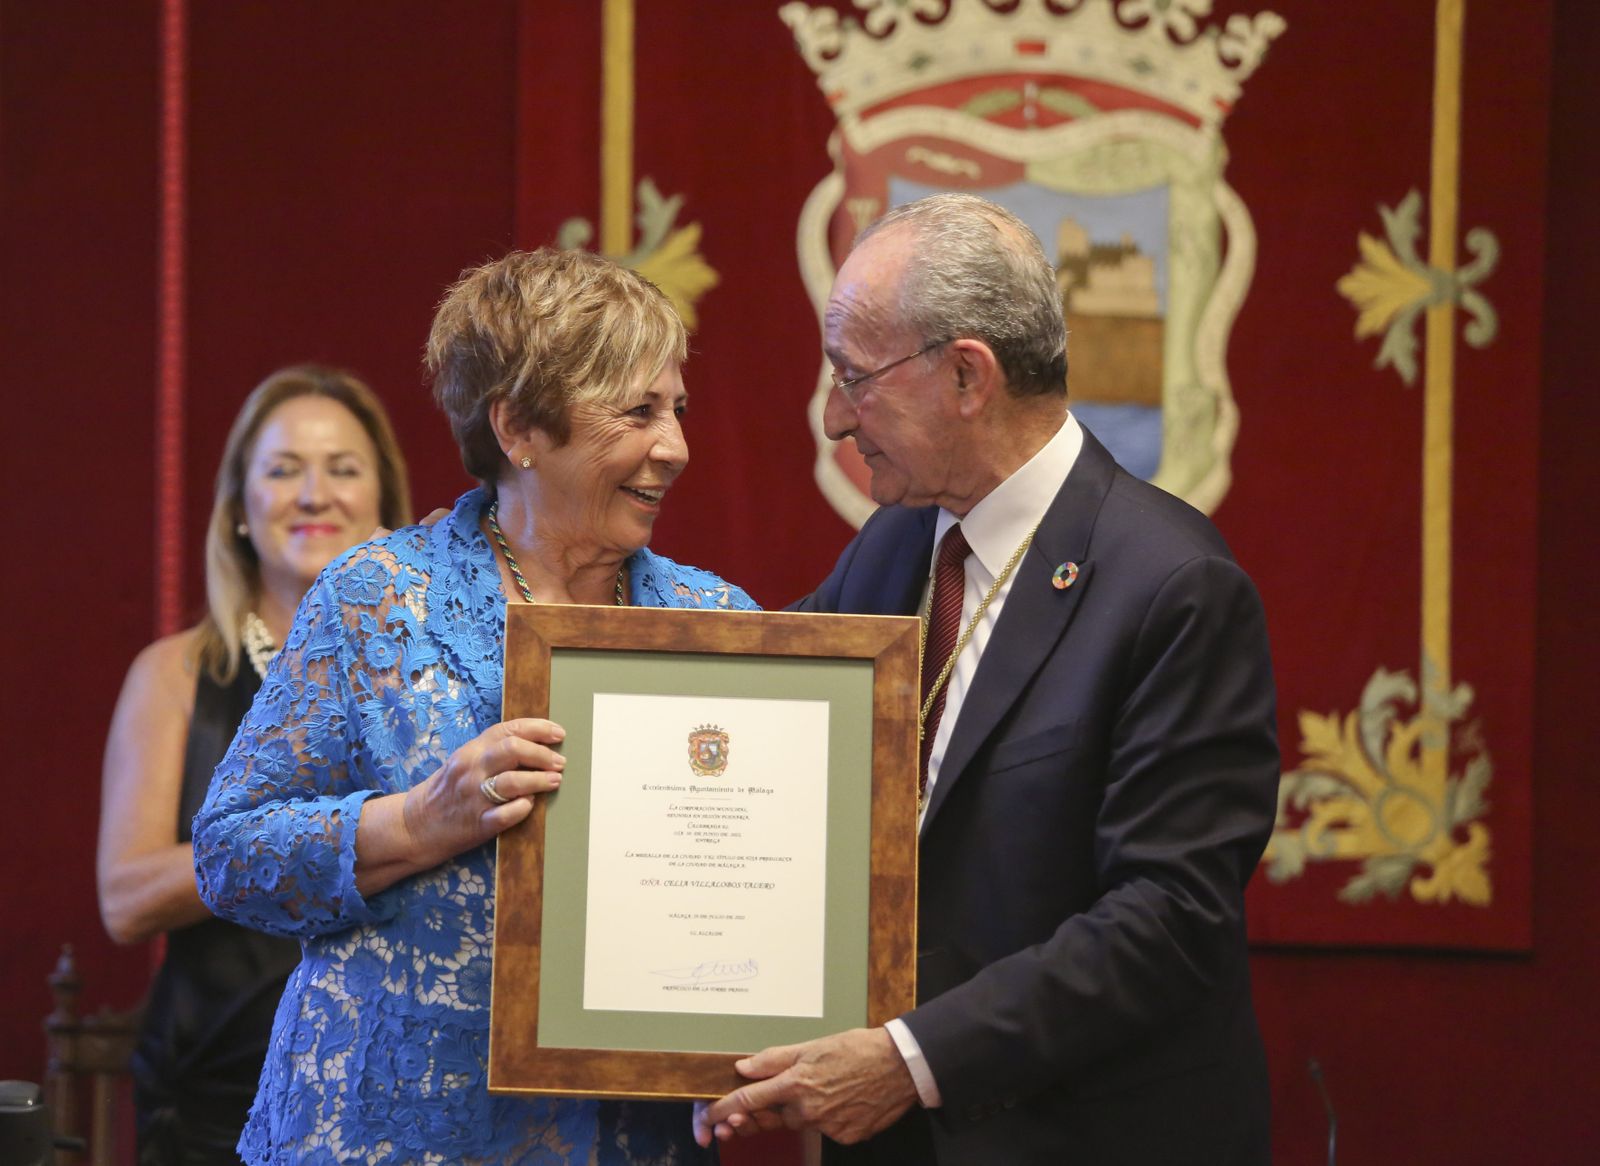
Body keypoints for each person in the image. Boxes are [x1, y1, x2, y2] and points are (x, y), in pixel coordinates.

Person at [696, 193, 1279, 1164]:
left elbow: (1169, 918)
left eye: (855, 377)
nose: (834, 416)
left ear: (967, 375)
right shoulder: (893, 547)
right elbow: (761, 697)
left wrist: (908, 1056)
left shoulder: (1174, 587)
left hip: (1081, 1135)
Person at [193, 248, 753, 1165]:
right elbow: (229, 854)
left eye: (677, 409)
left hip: (622, 1138)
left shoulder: (717, 623)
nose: (677, 446)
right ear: (520, 427)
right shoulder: (375, 602)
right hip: (387, 1126)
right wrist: (419, 819)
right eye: (638, 411)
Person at [98, 365, 413, 1164]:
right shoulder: (174, 674)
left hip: (398, 1087)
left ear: (384, 509)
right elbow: (126, 898)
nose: (314, 495)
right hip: (216, 1102)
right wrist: (316, 833)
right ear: (239, 508)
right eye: (282, 470)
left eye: (343, 470)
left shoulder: (435, 678)